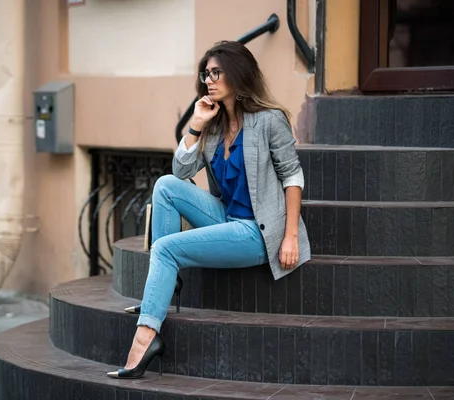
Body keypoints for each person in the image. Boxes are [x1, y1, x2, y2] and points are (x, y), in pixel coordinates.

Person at [107, 40, 311, 379]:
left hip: (258, 232)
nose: (209, 80)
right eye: (206, 74)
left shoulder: (269, 121)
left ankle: (146, 339)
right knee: (165, 187)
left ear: (238, 73)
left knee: (165, 248)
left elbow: (292, 175)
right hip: (227, 217)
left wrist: (289, 236)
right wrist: (196, 124)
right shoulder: (215, 127)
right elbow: (181, 171)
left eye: (216, 73)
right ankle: (165, 287)